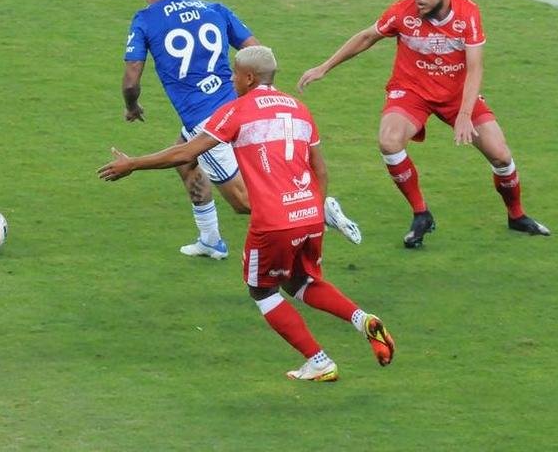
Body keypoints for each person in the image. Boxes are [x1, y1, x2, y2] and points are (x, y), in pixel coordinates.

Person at [101, 46, 393, 381]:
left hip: (273, 223)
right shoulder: (300, 109)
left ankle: (320, 361)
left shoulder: (237, 110)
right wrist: (313, 212)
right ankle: (363, 320)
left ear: (250, 77)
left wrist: (133, 164)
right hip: (309, 214)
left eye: (234, 72)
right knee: (300, 281)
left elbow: (186, 152)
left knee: (262, 290)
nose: (230, 77)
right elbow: (321, 171)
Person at [297, 0, 551, 248]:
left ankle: (516, 215)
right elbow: (368, 36)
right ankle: (421, 213)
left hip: (456, 96)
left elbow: (475, 67)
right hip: (412, 91)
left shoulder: (467, 13)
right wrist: (324, 67)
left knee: (501, 156)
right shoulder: (403, 12)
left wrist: (465, 114)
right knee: (389, 142)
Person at [123, 0, 361, 259]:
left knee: (242, 201)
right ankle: (210, 239)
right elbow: (257, 51)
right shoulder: (216, 10)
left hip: (206, 118)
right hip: (239, 105)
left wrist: (131, 106)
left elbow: (132, 78)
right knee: (184, 160)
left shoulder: (145, 19)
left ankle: (317, 209)